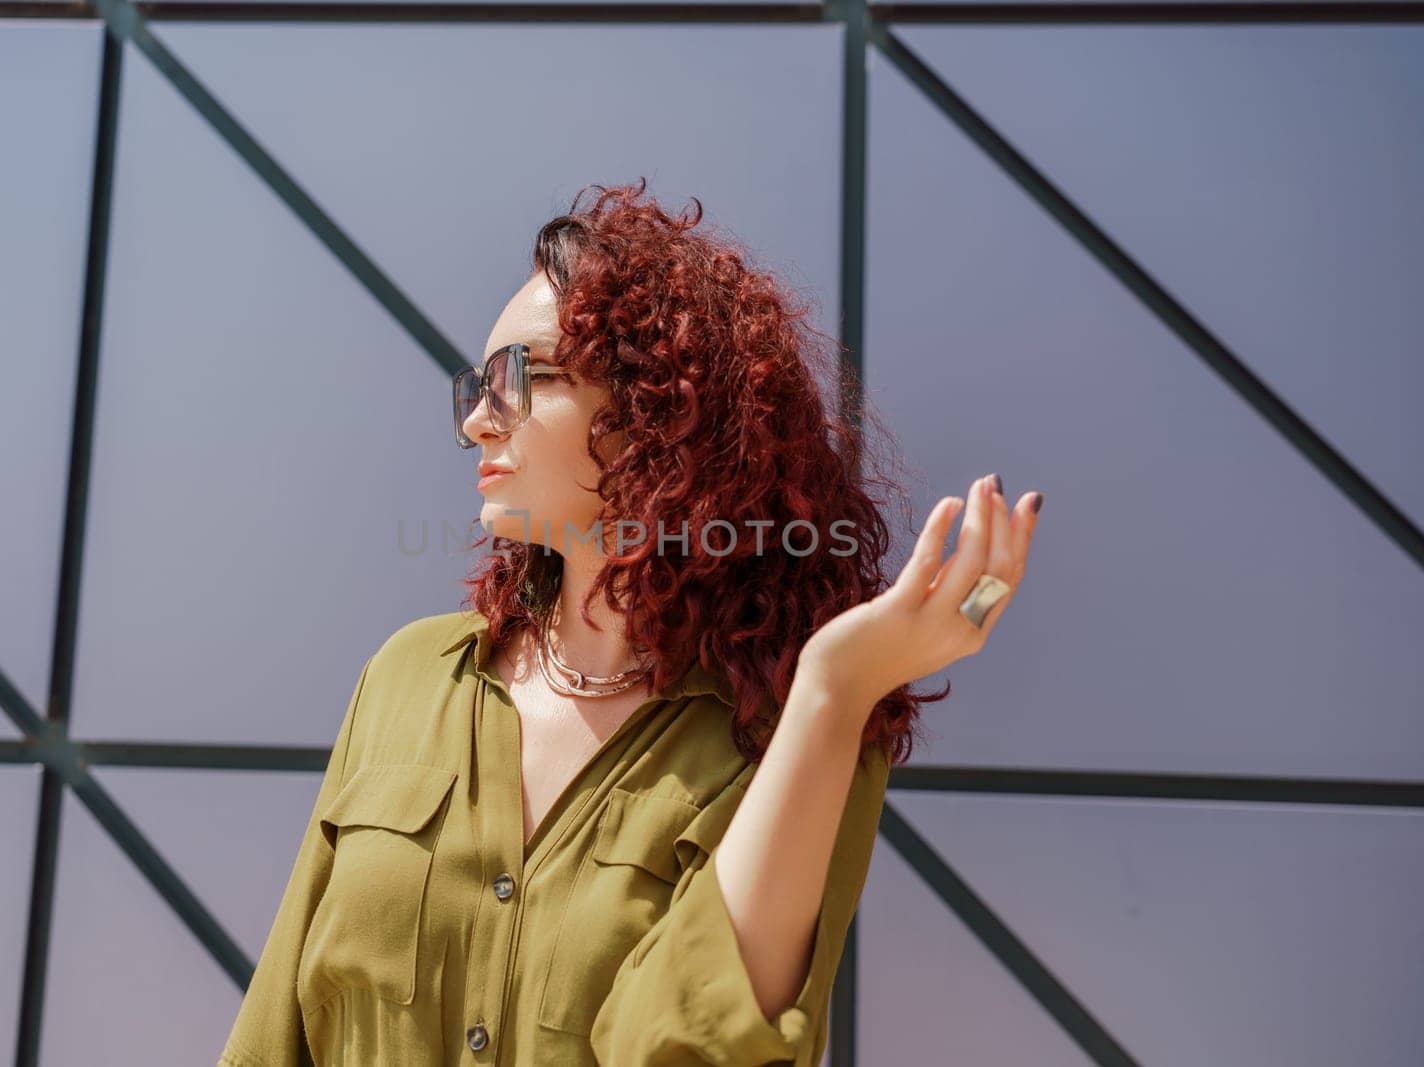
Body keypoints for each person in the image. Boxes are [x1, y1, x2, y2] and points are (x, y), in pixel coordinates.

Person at [218, 178, 1043, 1067]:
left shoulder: (789, 732)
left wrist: (834, 691)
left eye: (520, 378)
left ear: (659, 410)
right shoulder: (408, 678)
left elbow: (699, 1044)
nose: (476, 418)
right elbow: (272, 1035)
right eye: (477, 383)